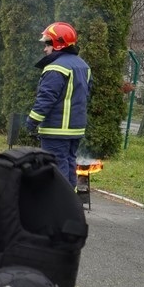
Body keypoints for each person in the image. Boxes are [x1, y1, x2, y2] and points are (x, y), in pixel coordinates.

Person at [25, 22, 89, 188]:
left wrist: (31, 122)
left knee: (55, 168)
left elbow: (46, 98)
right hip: (76, 129)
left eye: (48, 44)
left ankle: (58, 206)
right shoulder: (83, 66)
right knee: (69, 164)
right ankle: (70, 204)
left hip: (56, 129)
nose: (45, 49)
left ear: (58, 45)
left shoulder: (55, 67)